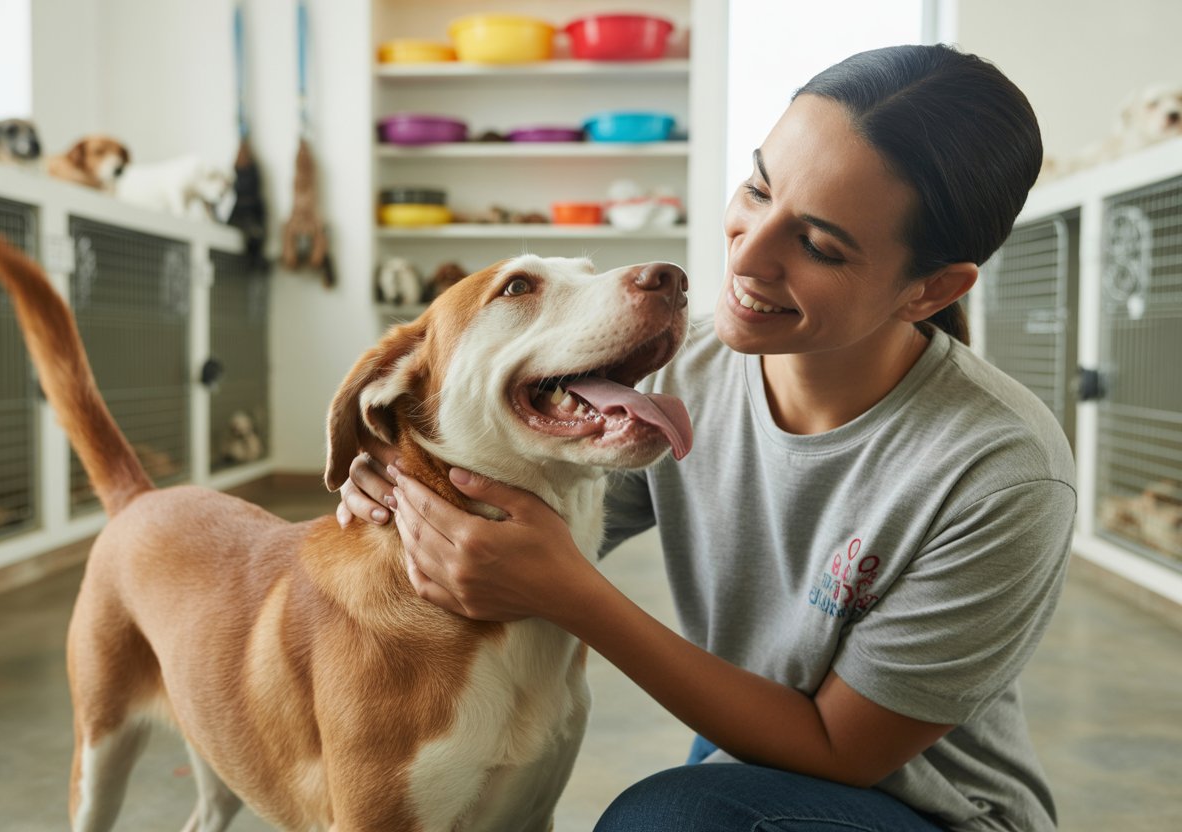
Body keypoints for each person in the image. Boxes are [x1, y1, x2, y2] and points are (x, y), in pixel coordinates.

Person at [337, 44, 1075, 832]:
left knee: (666, 822)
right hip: (750, 752)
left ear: (931, 288)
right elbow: (515, 517)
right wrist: (407, 477)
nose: (747, 255)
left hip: (922, 808)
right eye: (758, 188)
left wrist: (573, 596)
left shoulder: (1002, 471)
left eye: (820, 246)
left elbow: (844, 750)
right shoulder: (675, 376)